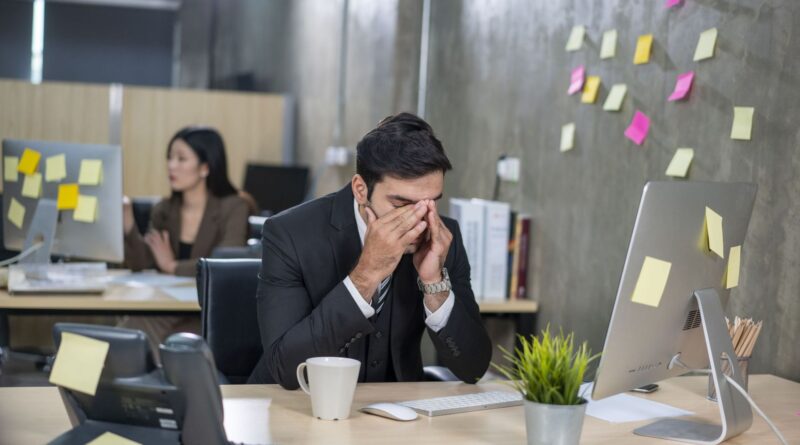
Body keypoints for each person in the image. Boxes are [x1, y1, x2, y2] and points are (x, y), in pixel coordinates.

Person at [249, 113, 492, 388]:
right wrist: (366, 275)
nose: (420, 221)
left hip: (398, 414)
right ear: (361, 189)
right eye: (401, 204)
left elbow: (473, 368)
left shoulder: (443, 238)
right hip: (300, 403)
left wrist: (434, 284)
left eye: (431, 203)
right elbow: (285, 368)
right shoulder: (290, 234)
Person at [123, 126, 250, 276]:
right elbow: (142, 263)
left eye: (181, 159)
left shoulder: (234, 207)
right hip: (168, 298)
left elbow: (227, 264)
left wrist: (172, 266)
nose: (171, 166)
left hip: (213, 299)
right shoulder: (163, 209)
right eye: (169, 158)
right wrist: (128, 222)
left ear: (205, 168)